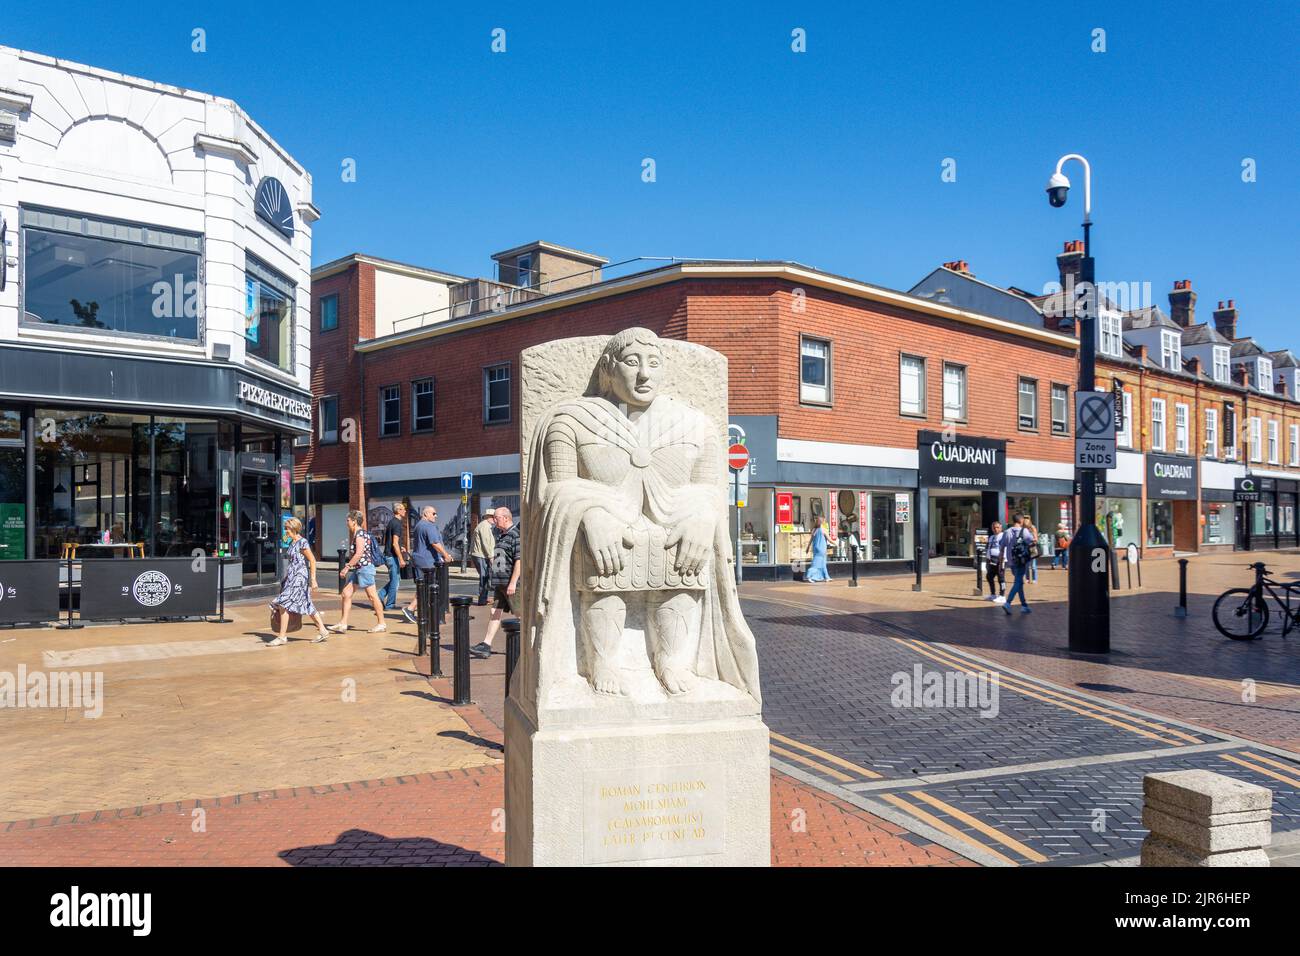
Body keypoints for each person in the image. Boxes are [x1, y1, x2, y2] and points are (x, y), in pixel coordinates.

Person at [267, 517, 330, 645]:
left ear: (294, 529)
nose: (285, 531)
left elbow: (312, 560)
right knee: (307, 605)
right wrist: (286, 578)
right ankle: (323, 630)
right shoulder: (292, 542)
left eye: (287, 529)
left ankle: (282, 636)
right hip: (292, 577)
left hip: (300, 578)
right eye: (285, 529)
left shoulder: (303, 542)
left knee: (283, 603)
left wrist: (313, 579)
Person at [471, 507, 519, 659]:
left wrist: (513, 583)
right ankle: (486, 645)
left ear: (506, 518)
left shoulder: (515, 535)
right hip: (500, 583)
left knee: (521, 615)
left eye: (496, 517)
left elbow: (519, 561)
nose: (493, 520)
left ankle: (533, 644)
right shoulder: (501, 535)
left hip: (510, 584)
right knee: (494, 612)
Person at [331, 510, 386, 633]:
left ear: (354, 521)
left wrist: (347, 567)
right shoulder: (360, 533)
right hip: (359, 569)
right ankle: (343, 623)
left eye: (348, 520)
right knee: (346, 593)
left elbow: (359, 553)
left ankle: (381, 623)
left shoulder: (360, 535)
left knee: (372, 596)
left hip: (365, 569)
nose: (347, 523)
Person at [401, 506, 453, 625]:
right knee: (426, 587)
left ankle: (423, 612)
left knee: (424, 586)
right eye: (433, 513)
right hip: (426, 562)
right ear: (426, 514)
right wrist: (446, 555)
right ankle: (411, 609)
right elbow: (435, 543)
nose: (436, 516)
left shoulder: (419, 525)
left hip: (420, 559)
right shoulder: (428, 526)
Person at [378, 502, 409, 611]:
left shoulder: (392, 522)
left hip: (389, 555)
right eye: (403, 509)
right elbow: (394, 543)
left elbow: (392, 542)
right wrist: (401, 559)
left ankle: (380, 595)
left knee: (395, 580)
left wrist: (401, 547)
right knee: (395, 582)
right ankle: (390, 605)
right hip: (392, 557)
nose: (405, 511)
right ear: (398, 511)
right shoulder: (397, 524)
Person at [1002, 513, 1035, 615]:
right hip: (1021, 561)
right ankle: (1008, 603)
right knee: (1018, 582)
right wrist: (1034, 532)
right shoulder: (1024, 531)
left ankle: (1024, 605)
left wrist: (1001, 561)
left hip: (1011, 561)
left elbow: (1002, 546)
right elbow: (1033, 542)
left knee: (1019, 582)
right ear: (1021, 521)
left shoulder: (1007, 531)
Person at [470, 511, 498, 606]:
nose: (496, 519)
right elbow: (485, 543)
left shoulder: (485, 526)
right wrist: (490, 556)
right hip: (481, 555)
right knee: (484, 578)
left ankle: (483, 599)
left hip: (481, 555)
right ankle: (482, 600)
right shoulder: (485, 526)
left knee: (485, 577)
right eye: (494, 517)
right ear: (489, 517)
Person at [804, 515, 831, 582]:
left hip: (816, 549)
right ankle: (809, 575)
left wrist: (808, 547)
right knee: (816, 564)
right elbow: (829, 540)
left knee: (823, 563)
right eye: (824, 520)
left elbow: (811, 540)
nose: (825, 521)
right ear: (822, 522)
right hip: (821, 549)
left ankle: (827, 577)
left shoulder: (814, 530)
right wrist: (836, 544)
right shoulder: (823, 530)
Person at [984, 519, 1006, 603]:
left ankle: (1002, 595)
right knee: (989, 577)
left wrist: (1002, 560)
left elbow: (1005, 548)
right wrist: (987, 559)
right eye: (994, 528)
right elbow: (989, 548)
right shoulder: (991, 537)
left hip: (1000, 560)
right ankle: (993, 594)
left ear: (1001, 528)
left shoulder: (1003, 536)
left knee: (1001, 578)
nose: (996, 529)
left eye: (997, 527)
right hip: (991, 560)